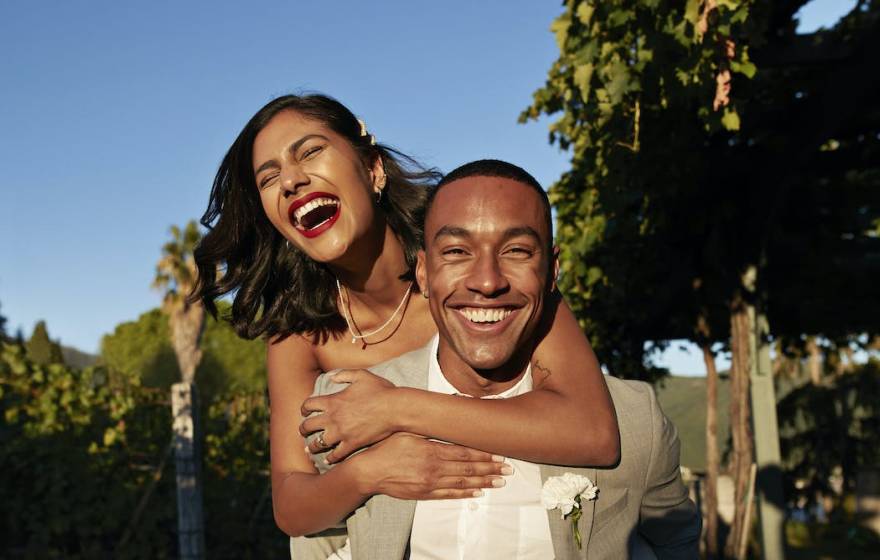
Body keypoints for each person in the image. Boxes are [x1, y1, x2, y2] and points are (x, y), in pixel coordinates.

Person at [191, 95, 619, 546]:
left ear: (373, 169)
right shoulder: (296, 331)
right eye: (269, 178)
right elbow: (293, 507)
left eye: (311, 151)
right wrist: (367, 473)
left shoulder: (474, 263)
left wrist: (394, 408)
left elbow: (591, 431)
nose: (292, 180)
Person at [306, 160, 701, 559]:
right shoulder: (349, 405)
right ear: (423, 272)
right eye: (457, 251)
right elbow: (316, 539)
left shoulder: (635, 423)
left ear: (552, 271)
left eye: (516, 250)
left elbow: (675, 543)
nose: (488, 281)